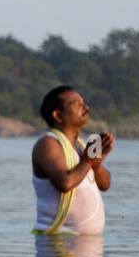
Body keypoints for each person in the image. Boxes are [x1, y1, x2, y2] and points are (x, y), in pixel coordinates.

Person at [31, 85, 111, 235]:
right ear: (57, 115)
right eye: (76, 103)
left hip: (89, 246)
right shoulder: (48, 143)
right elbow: (65, 183)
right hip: (57, 245)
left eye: (83, 102)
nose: (85, 106)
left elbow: (105, 185)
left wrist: (97, 165)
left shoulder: (81, 146)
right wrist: (88, 161)